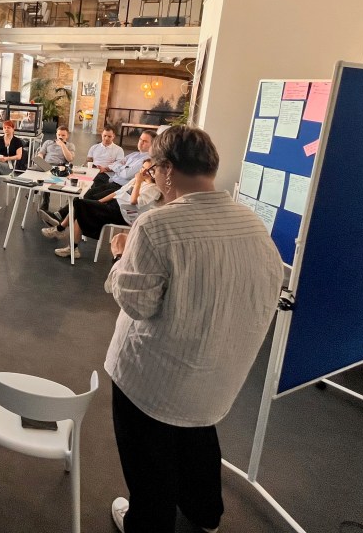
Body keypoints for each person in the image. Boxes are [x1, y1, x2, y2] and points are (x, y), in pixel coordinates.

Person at [103, 126, 281, 533]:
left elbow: (137, 303)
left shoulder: (157, 227)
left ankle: (146, 524)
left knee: (148, 460)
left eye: (153, 170)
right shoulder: (253, 225)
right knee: (197, 437)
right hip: (218, 373)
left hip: (151, 378)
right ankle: (205, 514)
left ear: (167, 169)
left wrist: (120, 258)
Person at [42, 159, 160, 258]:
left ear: (154, 173)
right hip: (114, 205)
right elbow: (117, 193)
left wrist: (138, 182)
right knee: (82, 208)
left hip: (125, 214)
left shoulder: (153, 188)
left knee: (80, 204)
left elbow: (133, 201)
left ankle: (60, 229)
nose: (143, 171)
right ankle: (72, 248)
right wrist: (97, 202)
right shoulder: (136, 180)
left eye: (147, 170)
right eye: (142, 168)